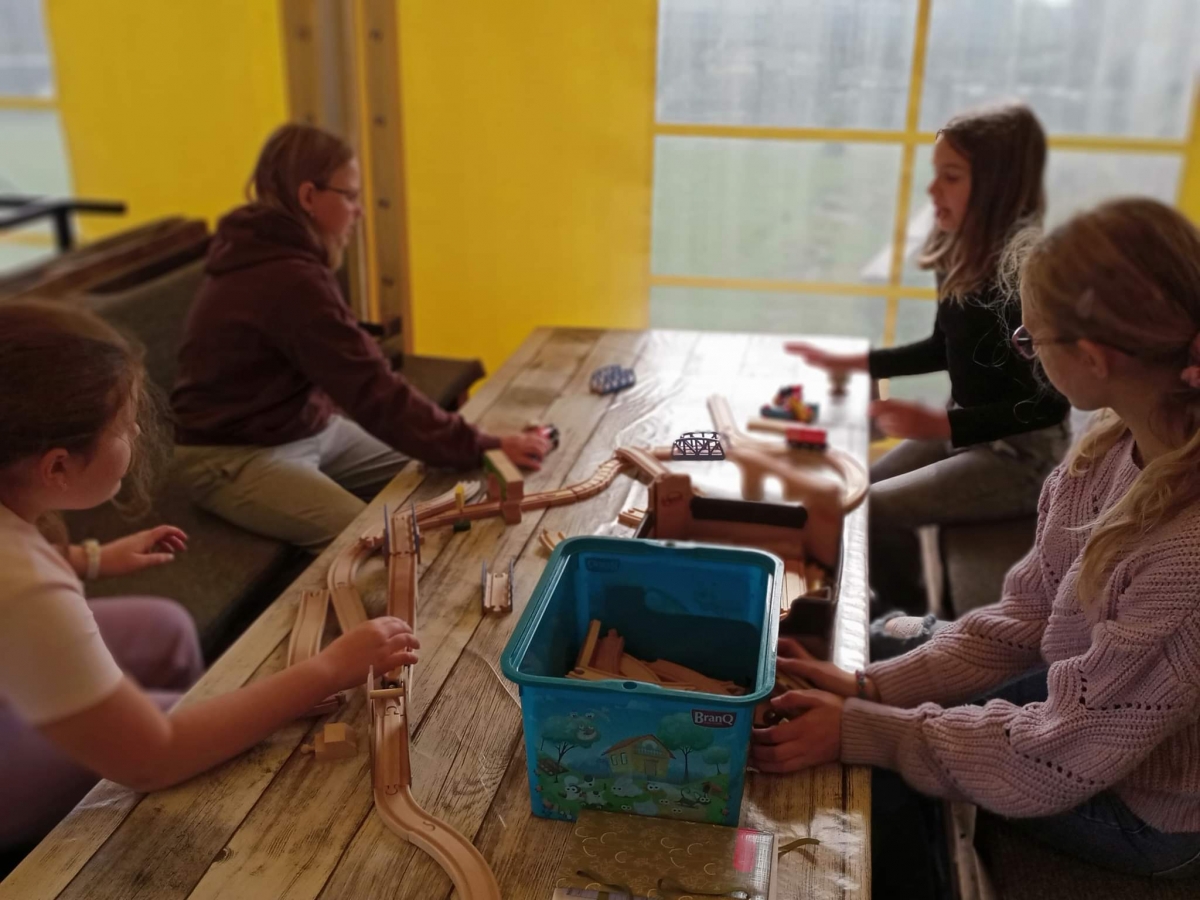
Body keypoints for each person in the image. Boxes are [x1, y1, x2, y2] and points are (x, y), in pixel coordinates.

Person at [754, 198, 1200, 892]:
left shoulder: (1183, 558)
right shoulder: (1112, 444)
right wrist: (873, 687)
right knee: (875, 658)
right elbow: (1026, 619)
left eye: (1029, 338)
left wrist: (864, 730)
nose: (1026, 349)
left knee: (884, 775)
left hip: (1145, 811)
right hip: (1088, 700)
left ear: (1090, 358)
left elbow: (1057, 752)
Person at [0, 301, 419, 851]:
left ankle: (182, 730)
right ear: (56, 467)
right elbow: (150, 758)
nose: (137, 433)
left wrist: (92, 560)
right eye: (124, 427)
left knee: (166, 627)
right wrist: (329, 668)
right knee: (157, 748)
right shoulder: (24, 582)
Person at [171, 123, 551, 550]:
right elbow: (374, 392)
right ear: (309, 197)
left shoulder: (283, 257)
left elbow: (365, 378)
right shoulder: (289, 278)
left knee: (443, 479)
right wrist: (483, 444)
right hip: (231, 455)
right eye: (350, 196)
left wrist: (474, 446)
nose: (361, 211)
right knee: (378, 545)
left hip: (305, 429)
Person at [788, 101, 1070, 614]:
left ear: (997, 185)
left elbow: (1049, 405)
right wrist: (859, 363)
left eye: (951, 177)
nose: (932, 189)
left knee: (865, 510)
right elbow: (944, 345)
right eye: (935, 173)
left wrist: (942, 425)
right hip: (965, 435)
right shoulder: (958, 245)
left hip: (1020, 461)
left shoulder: (1028, 274)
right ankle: (893, 605)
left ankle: (903, 623)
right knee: (853, 492)